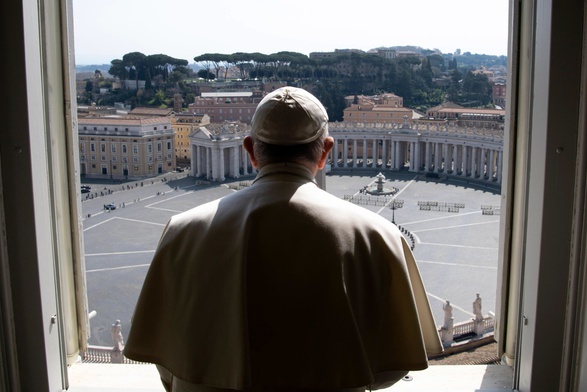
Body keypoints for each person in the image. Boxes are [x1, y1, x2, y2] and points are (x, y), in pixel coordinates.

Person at [124, 87, 443, 392]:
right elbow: (393, 365)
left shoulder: (182, 230)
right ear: (325, 152)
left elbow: (165, 359)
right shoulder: (379, 234)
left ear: (250, 150)